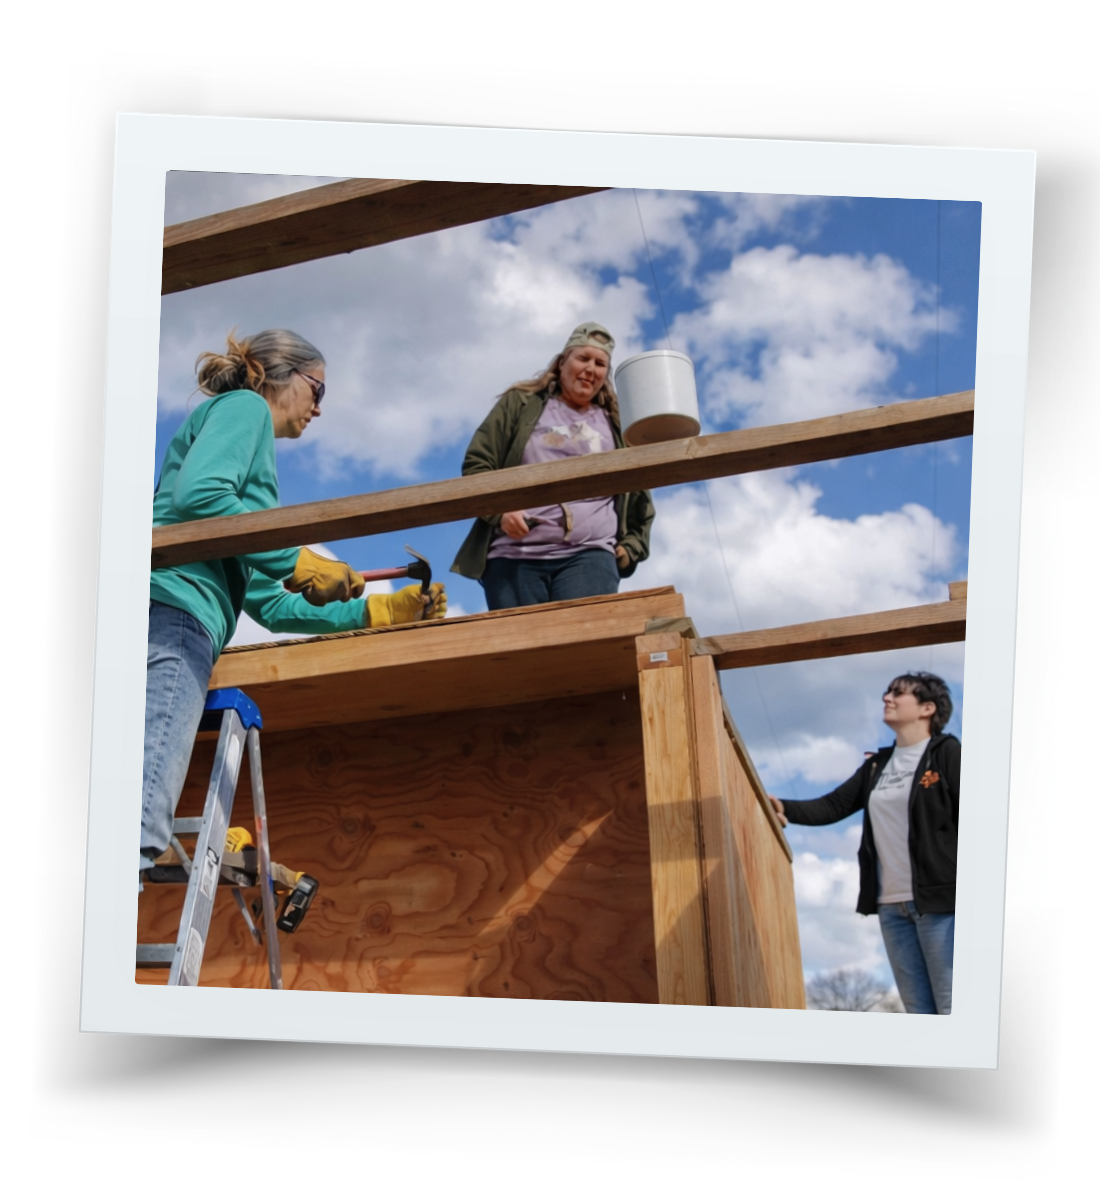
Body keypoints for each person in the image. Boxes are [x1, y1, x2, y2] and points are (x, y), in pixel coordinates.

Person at [143, 329, 446, 885]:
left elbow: (272, 606)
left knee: (132, 816)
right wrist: (297, 558)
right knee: (137, 829)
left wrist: (374, 614)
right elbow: (201, 497)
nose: (319, 409)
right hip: (174, 611)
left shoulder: (251, 487)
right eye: (319, 391)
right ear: (283, 378)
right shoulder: (244, 408)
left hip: (175, 611)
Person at [768, 672, 960, 1015]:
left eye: (899, 693)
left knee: (952, 1006)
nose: (887, 697)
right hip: (891, 907)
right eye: (887, 691)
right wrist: (779, 806)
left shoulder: (947, 753)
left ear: (927, 708)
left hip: (941, 903)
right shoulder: (877, 765)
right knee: (919, 1010)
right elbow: (831, 806)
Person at [450, 322, 654, 609]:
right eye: (583, 358)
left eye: (600, 364)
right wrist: (500, 513)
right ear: (562, 362)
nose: (590, 369)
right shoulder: (520, 404)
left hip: (591, 553)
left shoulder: (618, 423)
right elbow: (477, 464)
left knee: (582, 649)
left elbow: (641, 492)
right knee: (525, 651)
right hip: (514, 556)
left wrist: (631, 548)